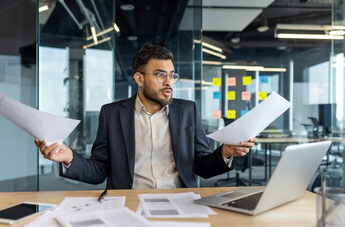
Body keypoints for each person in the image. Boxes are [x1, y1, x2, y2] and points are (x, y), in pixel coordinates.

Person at [35, 44, 257, 189]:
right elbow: (99, 170)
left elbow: (201, 166)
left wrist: (226, 153)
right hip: (129, 202)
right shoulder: (112, 114)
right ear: (139, 79)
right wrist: (69, 157)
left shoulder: (188, 110)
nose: (168, 82)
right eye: (160, 75)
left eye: (171, 75)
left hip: (181, 200)